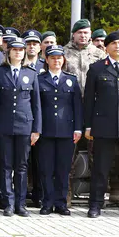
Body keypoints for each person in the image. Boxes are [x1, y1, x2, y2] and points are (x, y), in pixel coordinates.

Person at [0, 36, 41, 216]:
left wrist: (36, 128)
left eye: (21, 50)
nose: (18, 53)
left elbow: (36, 104)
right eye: (15, 50)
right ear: (9, 52)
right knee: (5, 166)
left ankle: (20, 204)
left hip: (24, 126)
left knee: (21, 166)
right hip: (4, 125)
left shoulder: (31, 73)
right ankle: (8, 203)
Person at [38, 45, 81, 216]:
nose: (56, 60)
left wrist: (78, 128)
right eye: (53, 58)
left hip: (66, 131)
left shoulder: (71, 79)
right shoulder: (39, 79)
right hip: (46, 131)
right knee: (46, 169)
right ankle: (47, 202)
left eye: (59, 58)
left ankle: (61, 202)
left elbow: (77, 106)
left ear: (63, 60)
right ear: (47, 60)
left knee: (63, 169)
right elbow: (37, 107)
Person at [83, 31, 119, 218]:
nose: (118, 46)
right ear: (106, 47)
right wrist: (88, 125)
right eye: (114, 43)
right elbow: (89, 100)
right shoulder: (97, 68)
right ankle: (95, 204)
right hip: (104, 126)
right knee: (100, 169)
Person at [63, 19, 105, 90]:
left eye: (85, 33)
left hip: (92, 95)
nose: (83, 36)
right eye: (79, 32)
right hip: (70, 95)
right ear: (73, 34)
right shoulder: (64, 52)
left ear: (90, 34)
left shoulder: (99, 54)